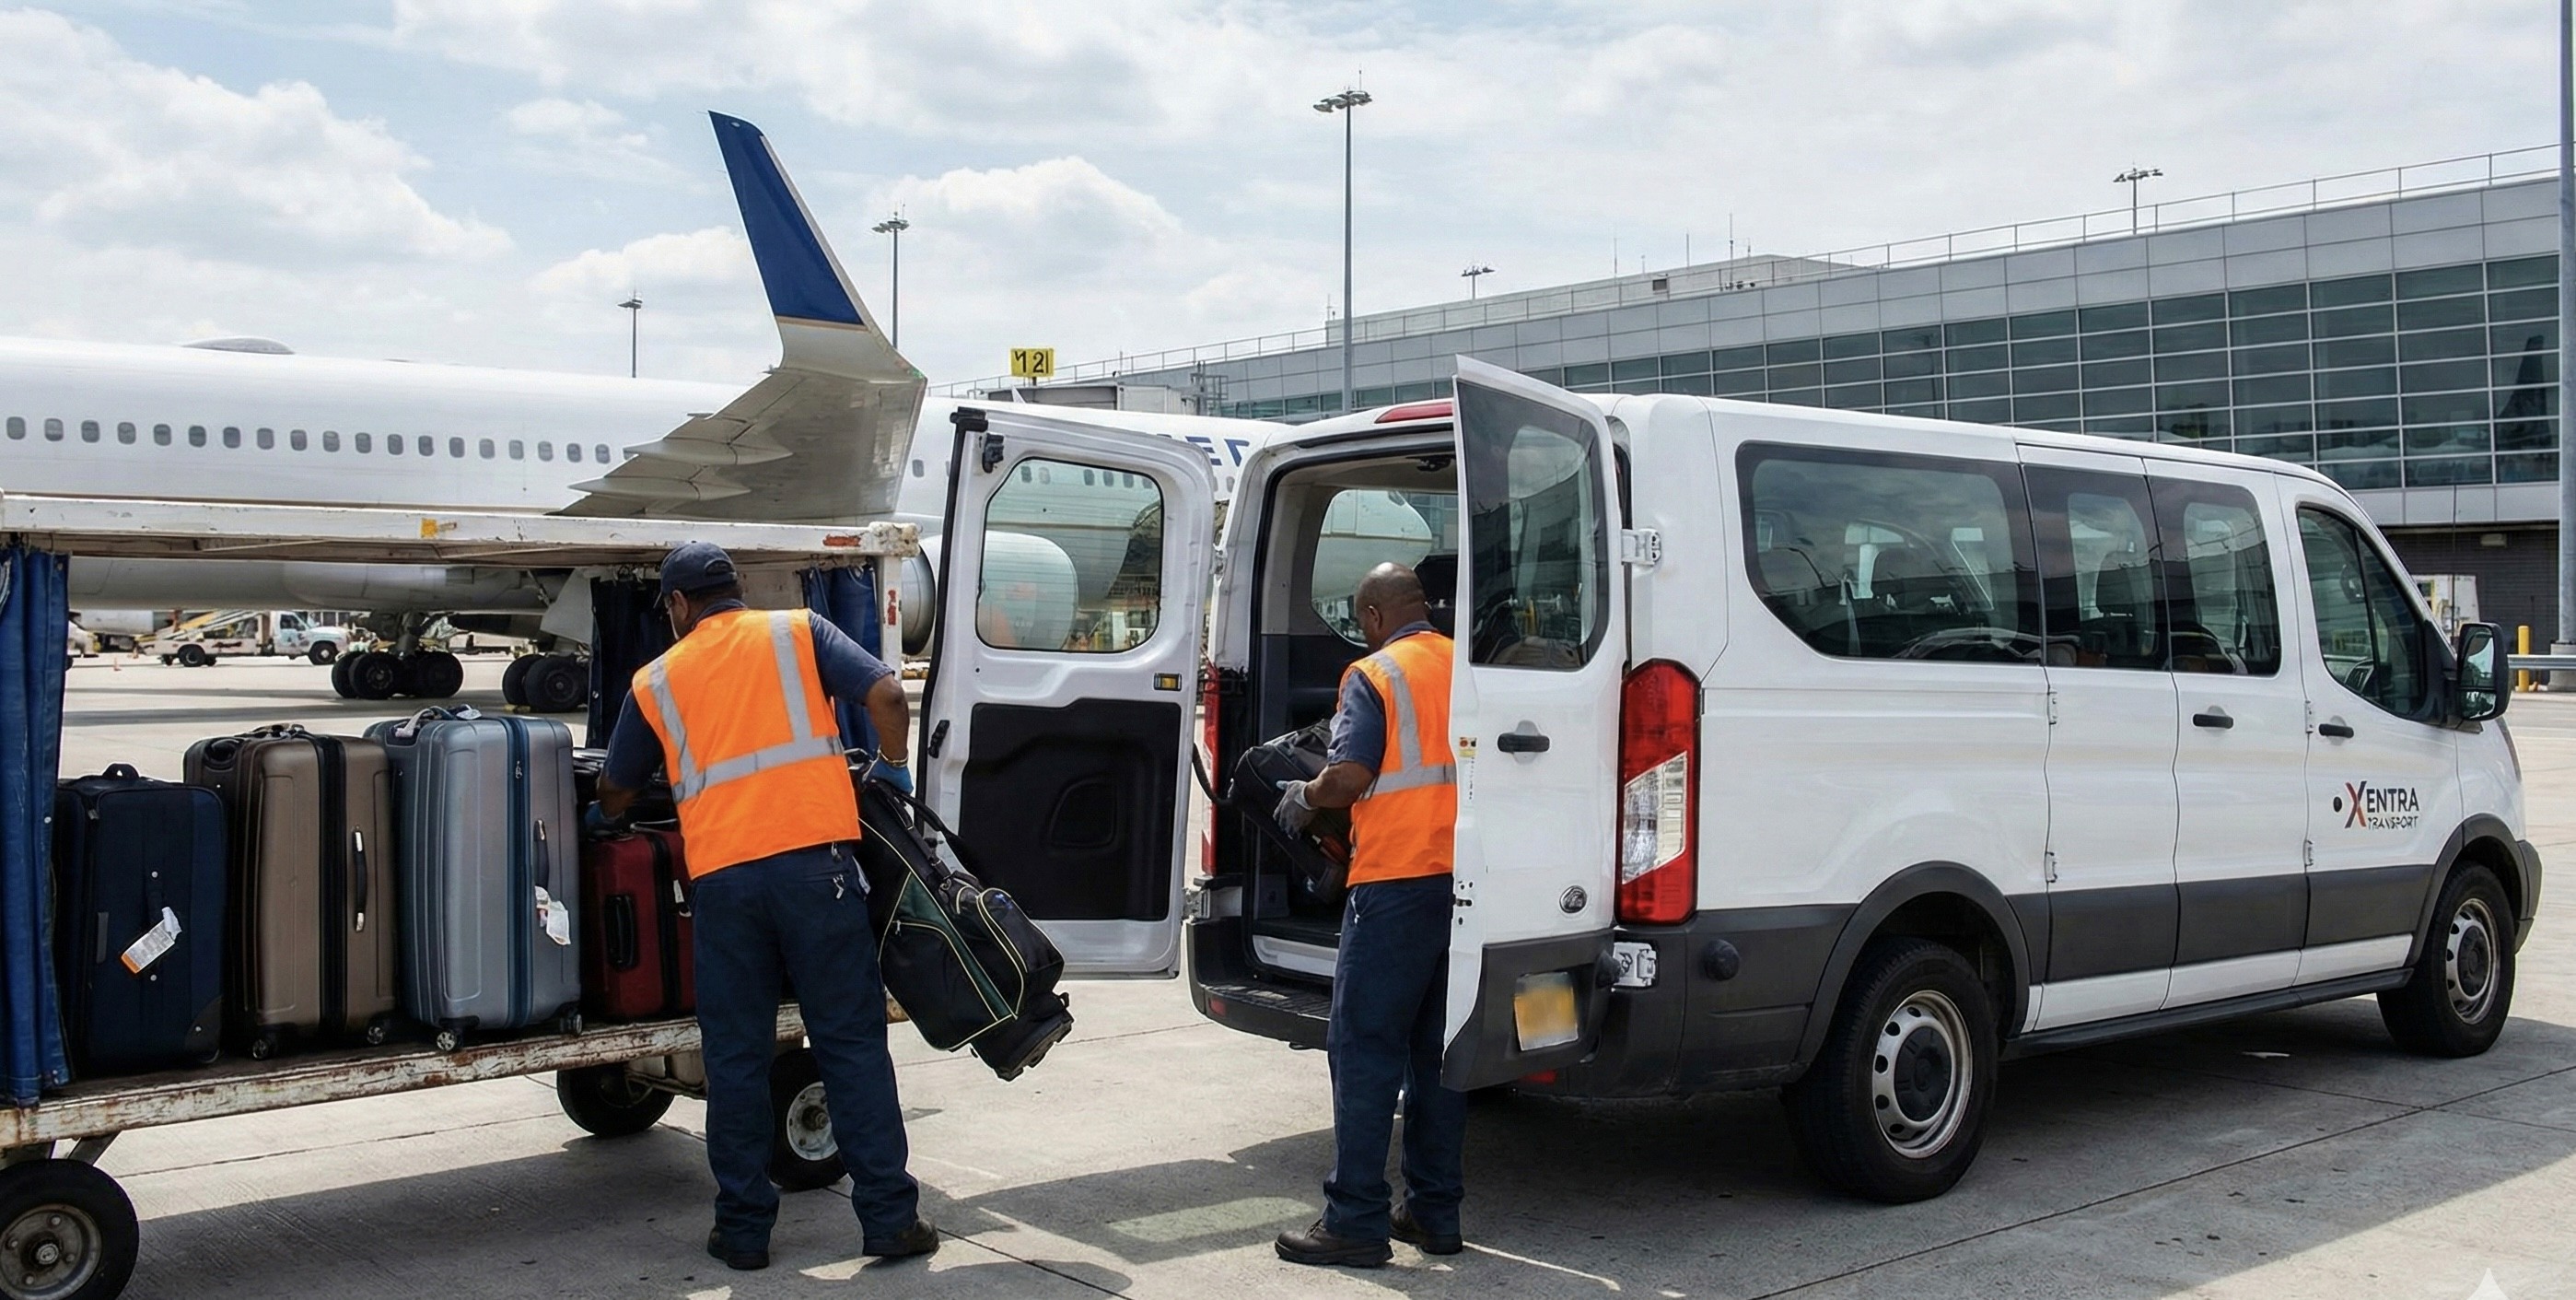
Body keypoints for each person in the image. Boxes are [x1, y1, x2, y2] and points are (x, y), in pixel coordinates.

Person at [595, 542, 937, 1271]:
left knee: (736, 1057)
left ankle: (744, 1231)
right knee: (850, 1046)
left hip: (725, 885)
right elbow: (886, 695)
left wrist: (607, 812)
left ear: (678, 603)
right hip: (819, 873)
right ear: (735, 589)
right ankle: (889, 1219)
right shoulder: (798, 631)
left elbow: (618, 786)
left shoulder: (655, 678)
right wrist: (893, 767)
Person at [1270, 562, 1467, 1268]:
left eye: (1362, 622)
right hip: (1466, 883)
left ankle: (1354, 1218)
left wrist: (1304, 794)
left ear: (1376, 616)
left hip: (1395, 882)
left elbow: (1350, 775)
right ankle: (1434, 1212)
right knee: (1436, 1054)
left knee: (1363, 1047)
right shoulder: (1467, 664)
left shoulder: (1373, 673)